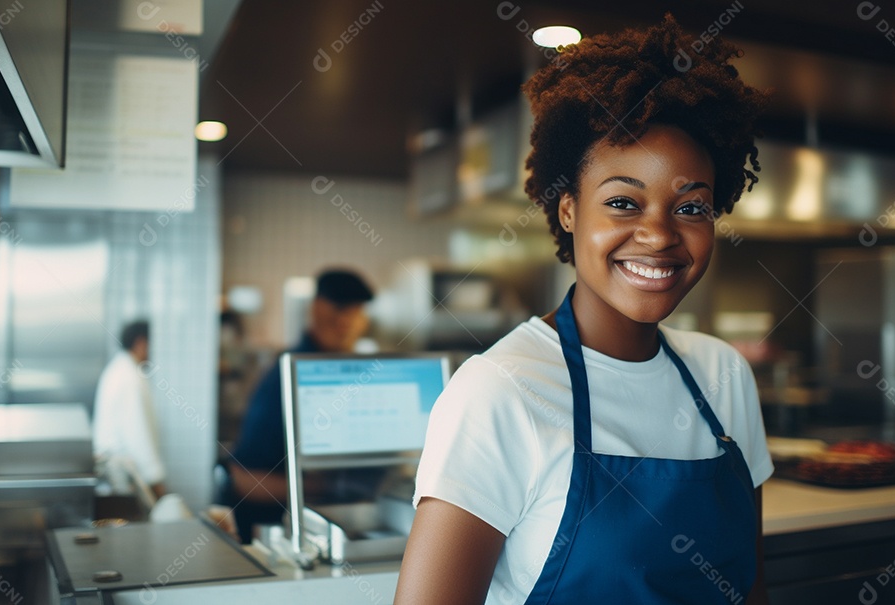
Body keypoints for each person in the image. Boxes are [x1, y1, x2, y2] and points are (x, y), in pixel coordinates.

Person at [396, 16, 773, 605]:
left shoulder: (724, 375)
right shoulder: (500, 392)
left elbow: (750, 590)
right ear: (568, 210)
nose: (659, 235)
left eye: (690, 208)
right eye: (623, 202)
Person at [222, 268, 373, 543]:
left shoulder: (349, 370)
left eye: (356, 312)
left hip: (334, 528)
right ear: (317, 309)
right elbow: (245, 480)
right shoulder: (289, 372)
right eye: (339, 310)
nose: (347, 322)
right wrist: (330, 487)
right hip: (277, 532)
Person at [93, 320, 167, 499]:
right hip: (121, 477)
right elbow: (138, 433)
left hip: (117, 473)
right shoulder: (129, 377)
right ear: (141, 343)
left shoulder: (120, 370)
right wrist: (156, 481)